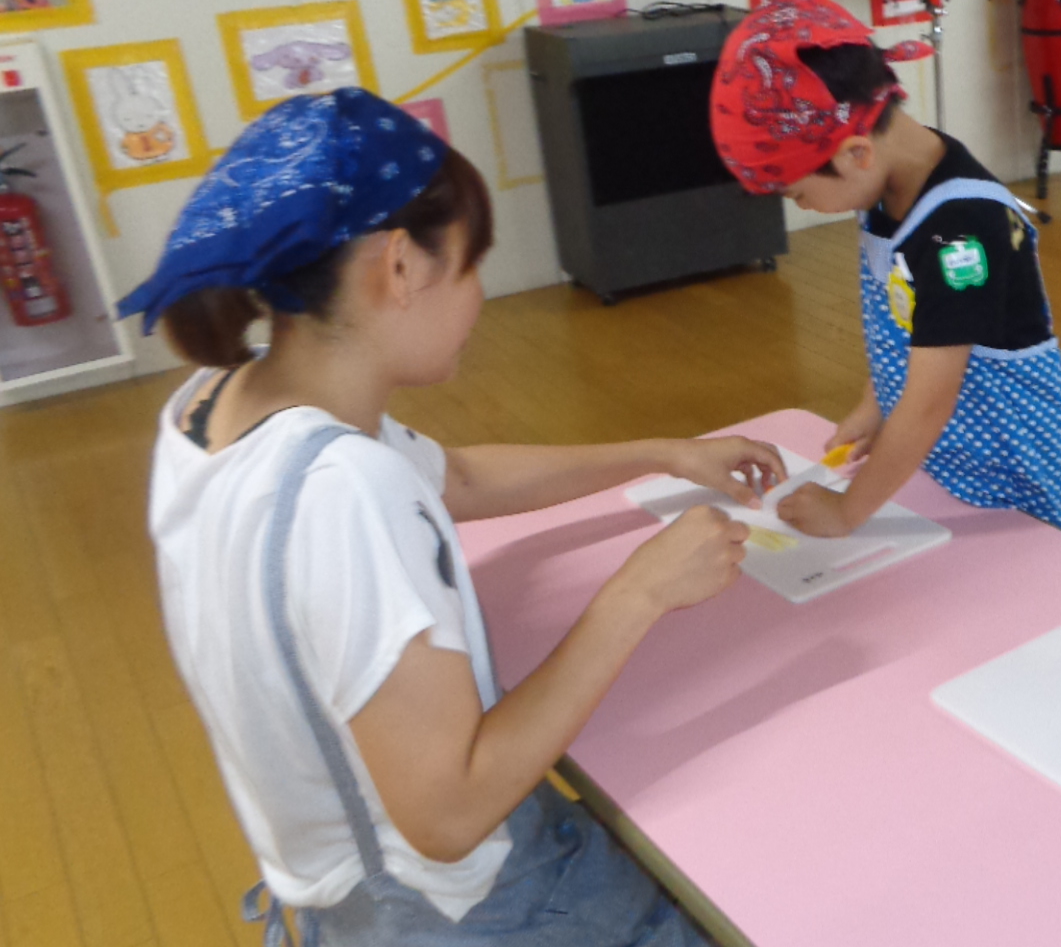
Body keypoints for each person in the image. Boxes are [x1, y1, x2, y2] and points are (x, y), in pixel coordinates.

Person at [118, 89, 775, 944]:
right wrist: (638, 592)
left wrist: (665, 452)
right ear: (399, 267)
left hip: (343, 905)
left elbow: (456, 477)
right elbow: (449, 815)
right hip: (464, 913)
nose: (480, 296)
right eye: (469, 266)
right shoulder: (344, 489)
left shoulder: (212, 404)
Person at [710, 0, 1061, 536]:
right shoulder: (887, 183)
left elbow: (932, 401)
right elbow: (907, 320)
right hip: (943, 460)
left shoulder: (960, 234)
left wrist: (845, 510)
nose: (804, 207)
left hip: (1009, 479)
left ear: (855, 153)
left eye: (798, 193)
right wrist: (876, 403)